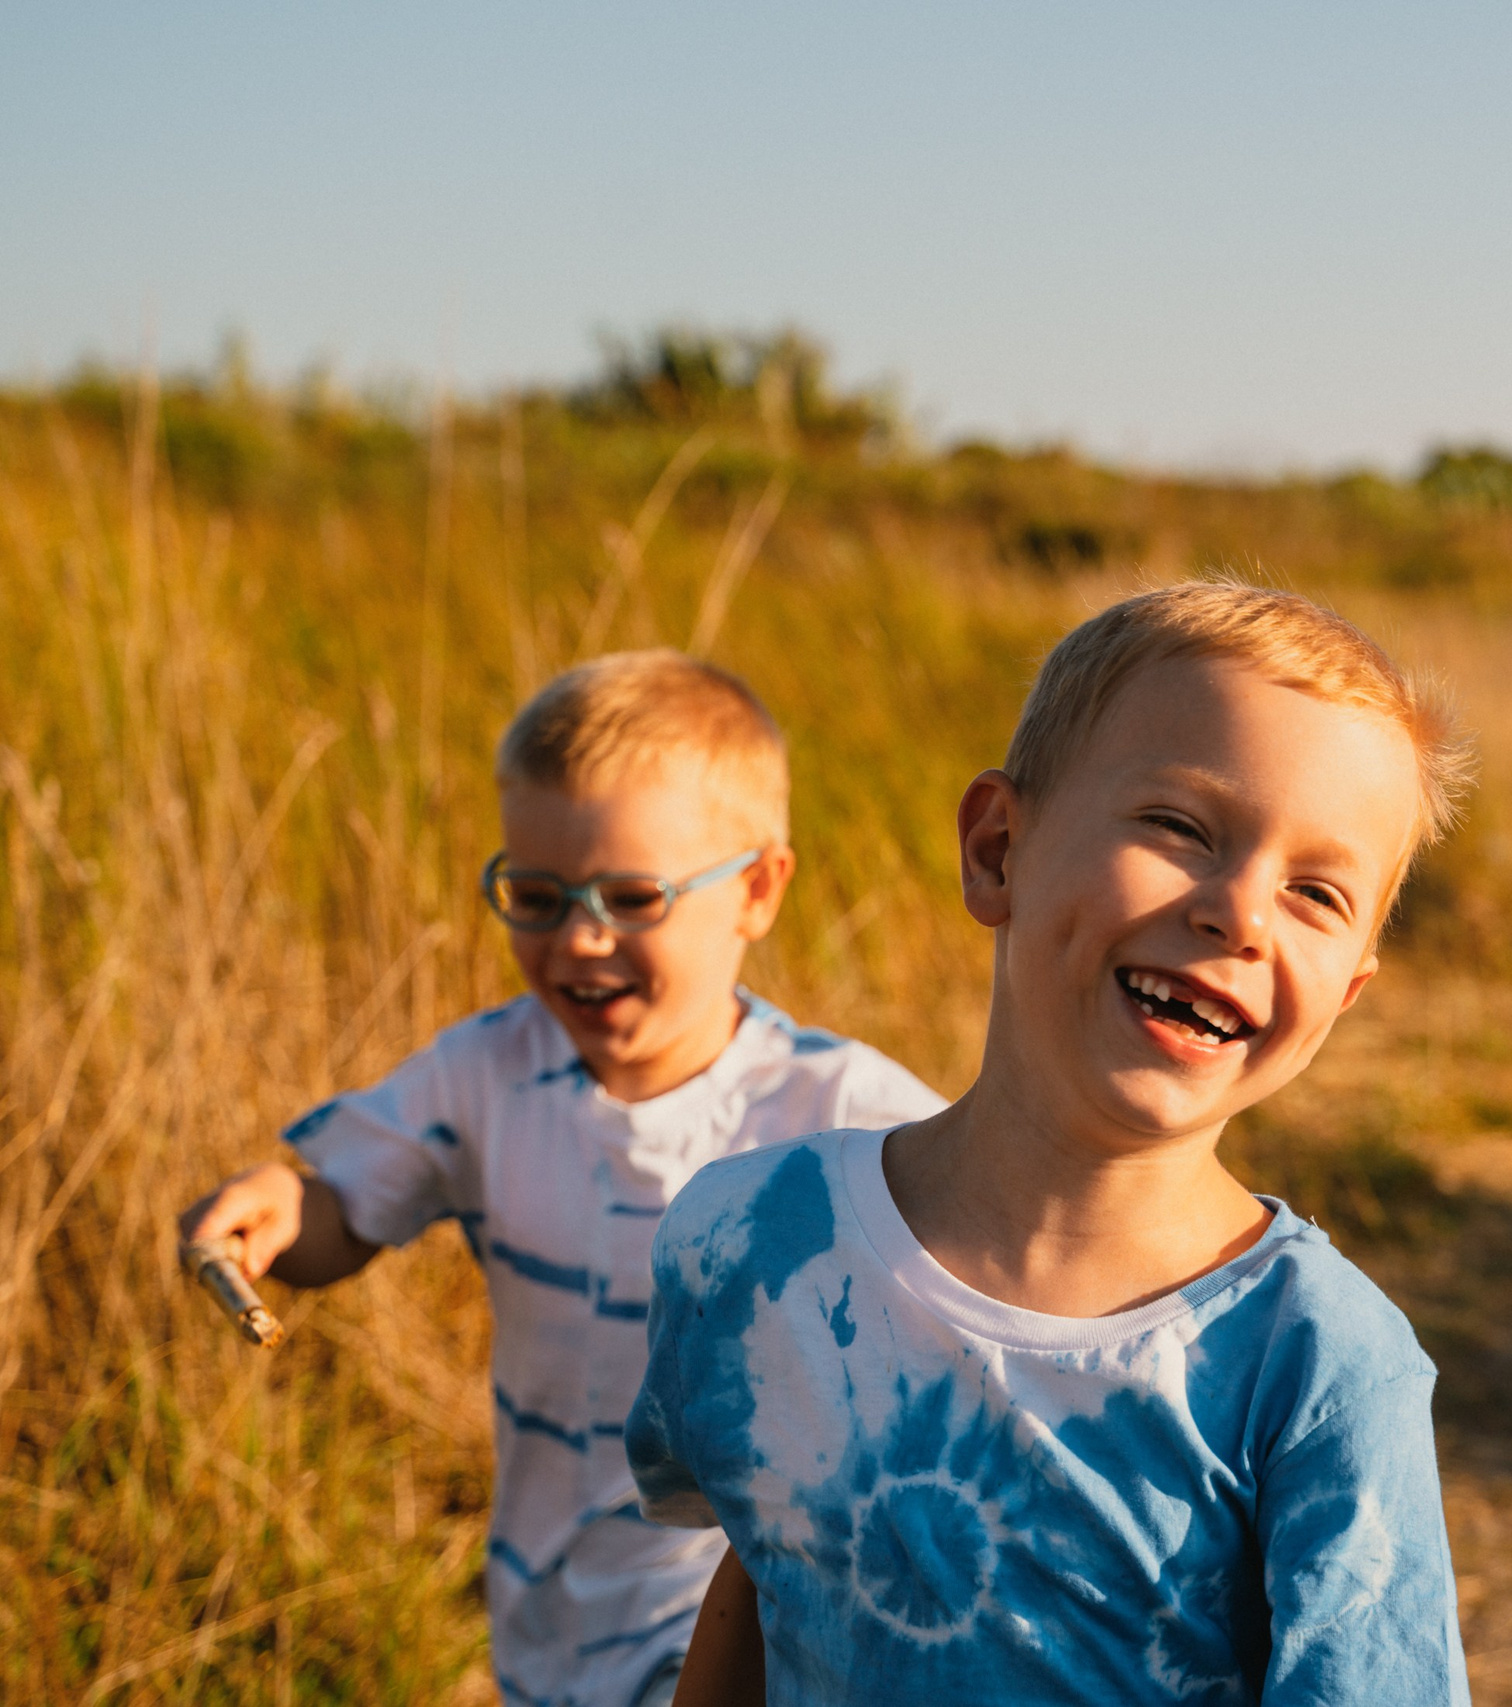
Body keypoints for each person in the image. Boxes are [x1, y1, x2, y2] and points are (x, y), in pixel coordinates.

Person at [626, 584, 1475, 1705]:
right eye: (1180, 828)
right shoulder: (750, 1245)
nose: (1242, 914)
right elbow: (766, 1556)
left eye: (1315, 892)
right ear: (997, 849)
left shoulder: (1316, 1367)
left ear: (1348, 994)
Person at [175, 651, 946, 1707]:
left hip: (754, 1626)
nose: (580, 938)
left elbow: (988, 1270)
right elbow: (340, 1213)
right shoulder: (482, 1073)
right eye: (534, 896)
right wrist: (276, 1210)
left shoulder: (843, 1112)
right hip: (548, 1611)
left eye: (633, 898)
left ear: (757, 891)